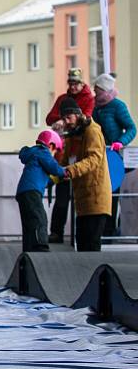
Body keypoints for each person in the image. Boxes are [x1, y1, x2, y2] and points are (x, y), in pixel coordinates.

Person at [46, 67, 95, 243]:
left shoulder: (89, 99)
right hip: (64, 153)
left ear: (82, 83)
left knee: (83, 195)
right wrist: (59, 120)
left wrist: (65, 122)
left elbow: (86, 120)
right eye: (71, 83)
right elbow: (49, 118)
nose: (73, 87)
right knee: (62, 195)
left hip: (80, 153)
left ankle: (82, 233)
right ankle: (57, 232)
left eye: (76, 83)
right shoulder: (62, 99)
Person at [58, 97, 111, 251]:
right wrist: (53, 174)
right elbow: (65, 162)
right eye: (63, 118)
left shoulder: (92, 131)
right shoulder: (73, 135)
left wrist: (70, 170)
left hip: (95, 198)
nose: (66, 121)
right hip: (82, 201)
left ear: (78, 114)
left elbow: (94, 159)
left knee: (91, 247)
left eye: (68, 117)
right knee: (82, 247)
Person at [91, 72, 136, 239]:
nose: (96, 94)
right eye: (95, 91)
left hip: (115, 156)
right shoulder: (96, 108)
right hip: (99, 154)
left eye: (98, 91)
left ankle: (110, 229)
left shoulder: (118, 106)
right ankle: (101, 228)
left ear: (106, 91)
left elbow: (132, 128)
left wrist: (120, 142)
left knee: (112, 192)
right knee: (100, 192)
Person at [16, 130, 66, 252]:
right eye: (55, 151)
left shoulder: (34, 155)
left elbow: (45, 181)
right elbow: (54, 168)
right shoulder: (43, 152)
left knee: (29, 222)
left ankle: (29, 248)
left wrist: (56, 180)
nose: (54, 155)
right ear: (51, 145)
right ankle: (40, 245)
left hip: (24, 192)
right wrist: (65, 172)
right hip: (32, 191)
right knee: (40, 217)